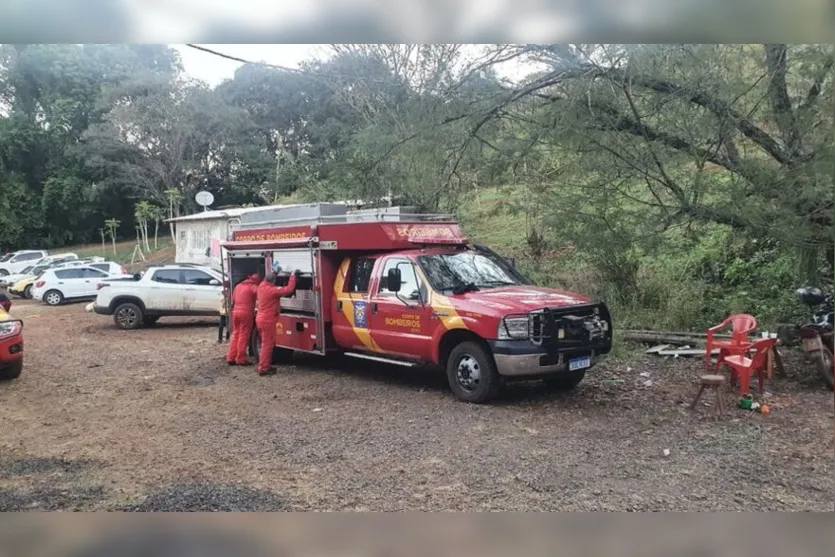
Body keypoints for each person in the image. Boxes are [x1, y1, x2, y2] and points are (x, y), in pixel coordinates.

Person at [255, 266, 300, 375]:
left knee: (265, 344)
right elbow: (288, 290)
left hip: (260, 319)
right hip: (268, 320)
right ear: (273, 281)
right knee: (267, 345)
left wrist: (275, 272)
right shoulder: (272, 291)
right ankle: (263, 368)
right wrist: (293, 276)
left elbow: (269, 279)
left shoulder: (261, 286)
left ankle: (265, 366)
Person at [226, 272, 263, 365]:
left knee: (236, 334)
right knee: (244, 336)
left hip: (235, 313)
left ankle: (231, 357)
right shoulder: (253, 287)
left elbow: (234, 299)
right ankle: (241, 359)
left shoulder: (238, 286)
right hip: (246, 314)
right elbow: (262, 297)